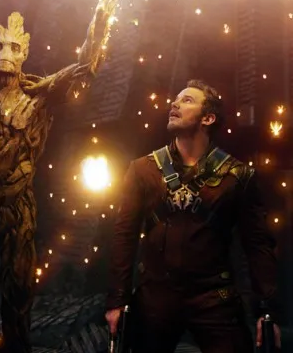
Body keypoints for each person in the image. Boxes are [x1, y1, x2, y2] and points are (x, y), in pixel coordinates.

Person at [105, 79, 281, 352]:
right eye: (176, 99)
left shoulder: (237, 176)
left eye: (187, 100)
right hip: (155, 296)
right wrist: (117, 300)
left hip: (214, 297)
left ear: (208, 118)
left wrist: (266, 311)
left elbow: (257, 244)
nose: (174, 104)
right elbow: (124, 236)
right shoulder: (143, 170)